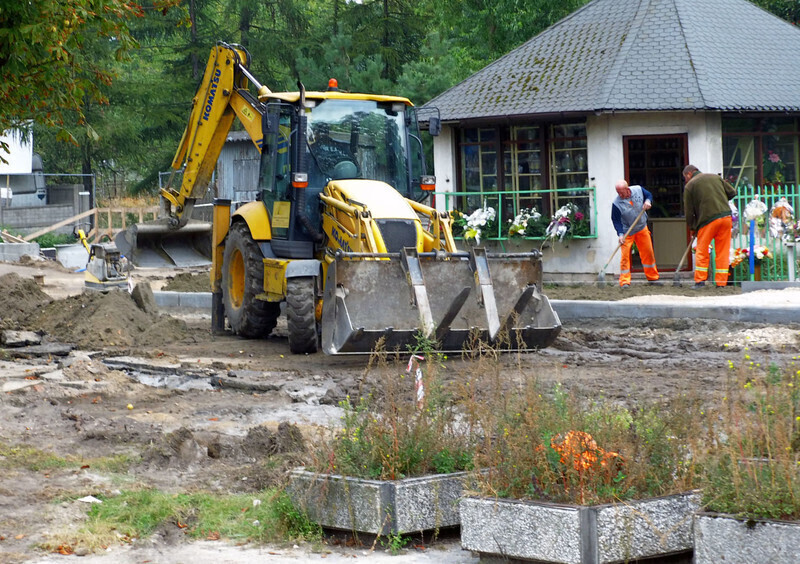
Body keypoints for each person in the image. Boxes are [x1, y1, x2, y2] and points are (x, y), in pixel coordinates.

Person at [682, 165, 736, 288]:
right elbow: (732, 192)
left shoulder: (690, 186)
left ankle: (700, 281)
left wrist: (692, 227)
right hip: (726, 218)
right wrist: (720, 199)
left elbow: (689, 211)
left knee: (702, 250)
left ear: (689, 174)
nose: (685, 180)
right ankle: (721, 282)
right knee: (722, 251)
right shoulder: (715, 177)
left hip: (708, 221)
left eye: (685, 177)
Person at [611, 180, 660, 288]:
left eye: (621, 192)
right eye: (617, 192)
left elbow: (648, 195)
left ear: (627, 189)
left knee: (648, 252)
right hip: (627, 232)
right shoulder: (616, 204)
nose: (619, 195)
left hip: (642, 227)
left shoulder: (638, 189)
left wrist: (648, 201)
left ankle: (652, 278)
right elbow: (616, 221)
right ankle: (624, 281)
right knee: (625, 257)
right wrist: (620, 234)